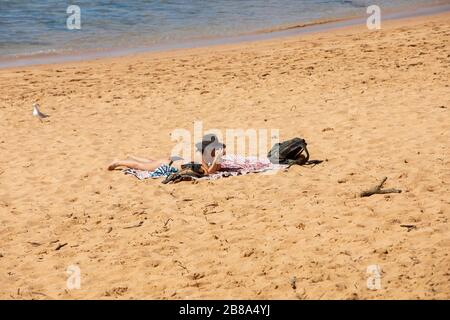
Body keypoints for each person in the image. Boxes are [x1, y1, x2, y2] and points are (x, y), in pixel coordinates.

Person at [107, 134, 226, 175]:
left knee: (150, 161)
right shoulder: (199, 156)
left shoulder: (208, 155)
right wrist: (217, 160)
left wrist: (218, 160)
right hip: (169, 164)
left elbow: (216, 169)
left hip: (176, 160)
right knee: (140, 166)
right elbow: (207, 173)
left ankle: (131, 156)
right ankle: (118, 162)